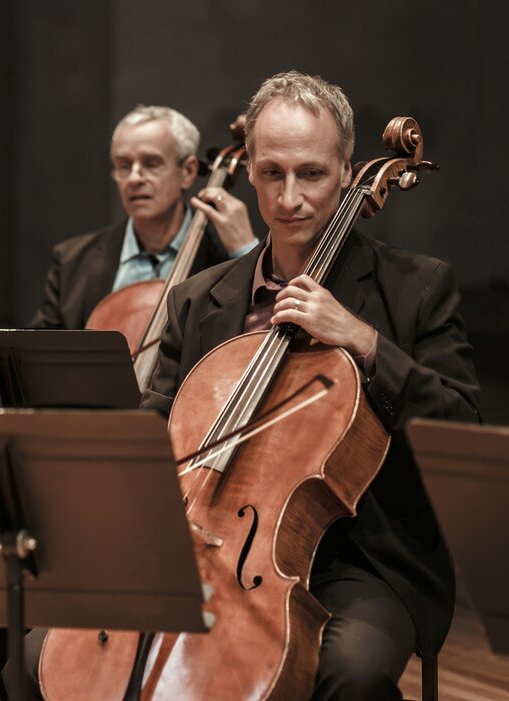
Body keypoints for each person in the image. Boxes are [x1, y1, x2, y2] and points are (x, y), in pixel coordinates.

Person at [141, 71, 480, 699]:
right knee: (39, 653)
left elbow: (460, 424)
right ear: (249, 173)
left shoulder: (416, 288)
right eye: (272, 173)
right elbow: (151, 429)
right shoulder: (197, 301)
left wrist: (364, 341)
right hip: (212, 546)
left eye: (311, 174)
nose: (289, 197)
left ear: (349, 171)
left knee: (347, 671)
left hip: (364, 559)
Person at [28, 104, 259, 330]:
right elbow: (40, 358)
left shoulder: (227, 262)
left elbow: (255, 332)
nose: (135, 178)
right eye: (124, 166)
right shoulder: (71, 262)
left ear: (187, 171)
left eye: (151, 164)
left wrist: (245, 252)